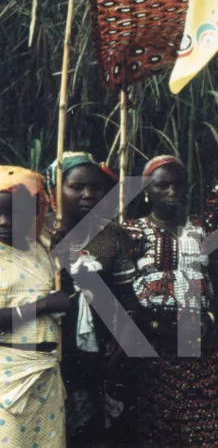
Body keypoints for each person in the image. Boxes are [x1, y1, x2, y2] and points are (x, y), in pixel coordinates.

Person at [123, 155, 218, 447]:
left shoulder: (205, 228)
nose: (171, 192)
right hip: (152, 343)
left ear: (187, 189)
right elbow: (96, 268)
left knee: (210, 432)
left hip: (200, 343)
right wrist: (156, 325)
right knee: (155, 431)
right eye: (162, 186)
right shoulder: (129, 231)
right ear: (146, 191)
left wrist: (208, 321)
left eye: (178, 185)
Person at [43, 151, 138, 446]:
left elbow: (128, 298)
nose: (87, 194)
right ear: (55, 189)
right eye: (76, 187)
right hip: (56, 351)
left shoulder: (112, 236)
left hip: (104, 353)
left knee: (102, 432)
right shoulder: (40, 237)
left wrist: (123, 338)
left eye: (95, 187)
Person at [0, 166, 72, 448]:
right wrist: (43, 306)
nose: (4, 222)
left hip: (47, 375)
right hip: (7, 377)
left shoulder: (43, 246)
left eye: (14, 213)